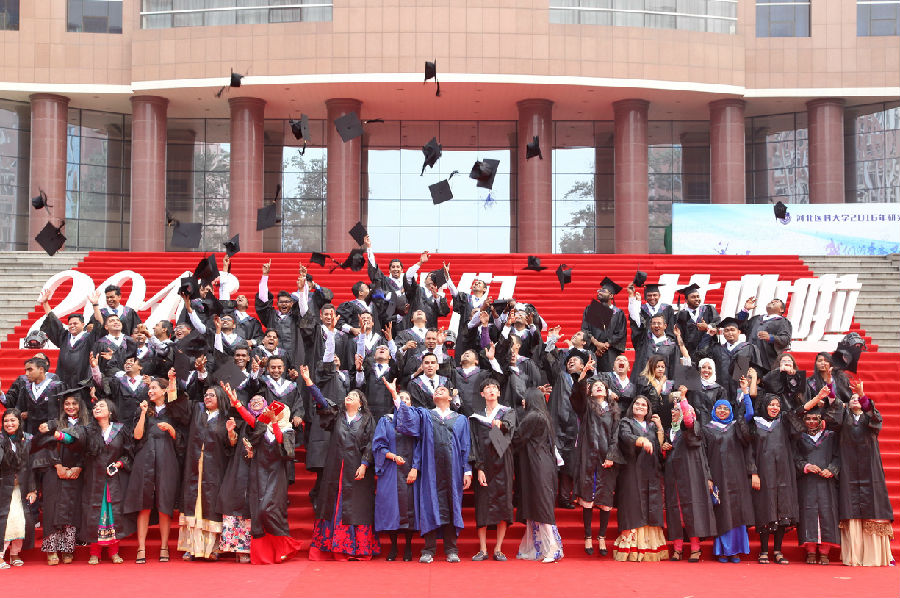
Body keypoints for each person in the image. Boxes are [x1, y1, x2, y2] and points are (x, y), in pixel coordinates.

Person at [385, 378, 472, 563]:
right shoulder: (425, 415)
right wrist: (395, 396)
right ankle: (429, 550)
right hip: (430, 469)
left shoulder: (461, 420)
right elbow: (408, 418)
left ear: (450, 397)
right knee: (429, 505)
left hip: (453, 470)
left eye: (443, 389)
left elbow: (466, 446)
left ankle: (451, 549)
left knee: (452, 505)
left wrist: (467, 471)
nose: (439, 390)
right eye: (436, 390)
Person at [300, 366, 379, 561]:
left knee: (356, 507)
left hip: (357, 469)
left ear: (361, 403)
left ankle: (356, 548)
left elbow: (371, 443)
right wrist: (309, 382)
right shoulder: (337, 416)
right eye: (348, 395)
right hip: (335, 468)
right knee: (333, 503)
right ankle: (332, 547)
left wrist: (365, 464)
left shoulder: (367, 419)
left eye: (354, 395)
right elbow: (322, 402)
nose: (349, 397)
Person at [223, 384, 302, 564]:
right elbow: (249, 418)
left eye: (277, 411)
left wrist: (274, 423)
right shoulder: (262, 427)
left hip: (276, 474)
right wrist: (236, 402)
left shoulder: (288, 430)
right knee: (258, 512)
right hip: (258, 472)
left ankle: (283, 546)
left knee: (268, 509)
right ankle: (265, 553)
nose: (272, 412)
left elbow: (284, 447)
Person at [824, 384, 895, 566]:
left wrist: (863, 395)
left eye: (859, 399)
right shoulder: (843, 419)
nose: (855, 400)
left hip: (870, 470)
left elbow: (875, 417)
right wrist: (830, 385)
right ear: (847, 405)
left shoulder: (871, 419)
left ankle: (875, 555)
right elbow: (833, 413)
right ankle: (854, 555)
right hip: (848, 469)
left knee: (873, 505)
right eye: (852, 398)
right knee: (851, 507)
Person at [123, 369, 188, 564]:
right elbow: (136, 436)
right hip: (145, 458)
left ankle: (164, 546)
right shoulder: (143, 409)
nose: (150, 391)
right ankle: (141, 547)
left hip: (167, 457)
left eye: (153, 388)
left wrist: (171, 429)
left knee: (164, 505)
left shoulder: (173, 411)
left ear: (164, 390)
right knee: (143, 504)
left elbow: (181, 440)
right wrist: (143, 413)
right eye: (149, 388)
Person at [569, 362, 621, 557]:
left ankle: (602, 537)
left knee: (605, 499)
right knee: (588, 498)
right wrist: (583, 375)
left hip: (606, 460)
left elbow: (616, 436)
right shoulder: (586, 408)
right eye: (595, 385)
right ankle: (588, 536)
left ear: (607, 391)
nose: (598, 386)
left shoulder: (614, 410)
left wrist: (612, 456)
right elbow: (577, 396)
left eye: (602, 385)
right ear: (590, 392)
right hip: (588, 458)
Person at [178, 386, 232, 561]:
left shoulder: (226, 417)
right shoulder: (197, 412)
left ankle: (213, 548)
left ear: (220, 398)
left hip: (215, 466)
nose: (207, 397)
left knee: (211, 504)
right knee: (193, 503)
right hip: (194, 464)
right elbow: (179, 408)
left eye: (212, 395)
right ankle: (192, 547)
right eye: (206, 394)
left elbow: (230, 445)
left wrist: (231, 433)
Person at [612, 395, 668, 562]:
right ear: (632, 406)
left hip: (650, 471)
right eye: (637, 403)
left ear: (648, 409)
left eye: (644, 405)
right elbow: (625, 437)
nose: (640, 406)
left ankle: (650, 547)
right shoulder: (626, 422)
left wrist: (660, 429)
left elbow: (658, 448)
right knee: (633, 505)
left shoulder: (651, 425)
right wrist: (641, 440)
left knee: (651, 506)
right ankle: (632, 548)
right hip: (632, 469)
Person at [702, 389, 755, 563]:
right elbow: (704, 456)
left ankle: (735, 551)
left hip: (737, 475)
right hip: (717, 474)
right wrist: (708, 477)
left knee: (737, 511)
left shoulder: (735, 427)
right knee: (722, 511)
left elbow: (750, 414)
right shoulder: (707, 429)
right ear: (714, 410)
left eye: (726, 408)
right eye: (719, 408)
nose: (722, 411)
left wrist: (746, 393)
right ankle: (723, 550)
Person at [661, 396, 717, 563]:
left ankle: (695, 548)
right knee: (675, 511)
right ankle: (677, 548)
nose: (673, 412)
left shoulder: (692, 429)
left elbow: (688, 421)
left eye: (677, 410)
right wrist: (664, 449)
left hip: (691, 476)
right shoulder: (669, 431)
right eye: (673, 409)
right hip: (673, 477)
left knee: (693, 511)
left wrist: (683, 400)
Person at [37, 392, 88, 565]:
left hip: (76, 472)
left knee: (72, 508)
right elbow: (47, 445)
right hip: (54, 471)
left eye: (74, 403)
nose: (70, 407)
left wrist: (79, 467)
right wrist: (57, 465)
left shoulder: (87, 425)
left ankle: (67, 548)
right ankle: (51, 550)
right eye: (67, 404)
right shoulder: (55, 423)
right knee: (53, 508)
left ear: (80, 406)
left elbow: (89, 449)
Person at [513, 387, 564, 564]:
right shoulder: (544, 416)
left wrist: (495, 432)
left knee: (542, 505)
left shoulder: (533, 417)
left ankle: (552, 547)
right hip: (543, 463)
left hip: (537, 465)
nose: (522, 401)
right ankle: (542, 548)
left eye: (525, 398)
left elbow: (517, 438)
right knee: (540, 503)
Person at [81, 398, 134, 565]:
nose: (97, 408)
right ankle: (94, 552)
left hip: (114, 480)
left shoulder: (120, 430)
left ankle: (114, 551)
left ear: (110, 411)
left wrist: (118, 464)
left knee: (113, 514)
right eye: (95, 406)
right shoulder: (88, 430)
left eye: (101, 406)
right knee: (95, 514)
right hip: (94, 479)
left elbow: (129, 453)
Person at [469, 378, 516, 561]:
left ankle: (498, 549)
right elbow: (474, 443)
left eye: (494, 388)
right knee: (482, 504)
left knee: (503, 502)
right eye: (487, 388)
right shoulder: (476, 417)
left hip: (503, 462)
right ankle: (482, 549)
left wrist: (500, 425)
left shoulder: (507, 412)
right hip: (484, 464)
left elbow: (506, 440)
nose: (491, 390)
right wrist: (479, 468)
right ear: (482, 394)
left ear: (499, 392)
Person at [216, 393, 267, 564]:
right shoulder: (243, 422)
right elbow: (232, 444)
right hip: (239, 467)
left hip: (260, 469)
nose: (256, 402)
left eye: (259, 400)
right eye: (253, 400)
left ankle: (254, 549)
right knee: (235, 501)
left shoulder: (267, 422)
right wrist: (231, 432)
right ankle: (239, 548)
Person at [749, 395, 799, 565]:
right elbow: (749, 451)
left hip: (783, 473)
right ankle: (763, 550)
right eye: (771, 404)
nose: (774, 408)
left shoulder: (783, 423)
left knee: (782, 510)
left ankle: (778, 550)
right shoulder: (755, 424)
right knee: (765, 509)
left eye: (777, 405)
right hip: (763, 473)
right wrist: (753, 473)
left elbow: (798, 429)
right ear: (765, 406)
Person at [372, 389, 418, 562]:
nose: (404, 400)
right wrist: (392, 456)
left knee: (409, 507)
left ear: (411, 404)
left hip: (410, 469)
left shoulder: (416, 421)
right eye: (401, 398)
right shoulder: (386, 420)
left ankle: (408, 546)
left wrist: (415, 467)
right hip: (391, 468)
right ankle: (393, 546)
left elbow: (420, 446)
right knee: (391, 507)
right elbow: (378, 445)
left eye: (407, 398)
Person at [793, 408, 840, 565]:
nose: (811, 422)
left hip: (827, 481)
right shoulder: (799, 437)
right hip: (807, 482)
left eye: (815, 419)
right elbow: (795, 457)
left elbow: (838, 456)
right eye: (808, 419)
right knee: (808, 514)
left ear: (821, 421)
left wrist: (832, 470)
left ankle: (825, 552)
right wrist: (806, 466)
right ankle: (811, 551)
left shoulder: (831, 436)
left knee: (827, 513)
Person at [0, 409, 37, 568]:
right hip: (3, 487)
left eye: (12, 420)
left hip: (21, 488)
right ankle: (0, 555)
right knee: (6, 520)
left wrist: (33, 489)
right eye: (6, 421)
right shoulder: (0, 439)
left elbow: (32, 466)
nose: (9, 424)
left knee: (21, 520)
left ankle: (15, 553)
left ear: (19, 422)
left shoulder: (28, 439)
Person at [581, 279, 626, 372]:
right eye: (599, 290)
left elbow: (620, 333)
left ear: (611, 296)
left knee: (609, 377)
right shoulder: (591, 309)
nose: (599, 292)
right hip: (593, 350)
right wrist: (597, 344)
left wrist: (606, 345)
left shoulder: (618, 313)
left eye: (603, 291)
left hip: (610, 352)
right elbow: (585, 329)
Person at [736, 297, 792, 371]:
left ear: (781, 310)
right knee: (739, 376)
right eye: (771, 301)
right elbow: (740, 327)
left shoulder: (783, 322)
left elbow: (786, 339)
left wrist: (771, 337)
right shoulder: (756, 318)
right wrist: (745, 310)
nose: (772, 301)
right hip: (746, 357)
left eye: (776, 301)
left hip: (765, 361)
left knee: (760, 378)